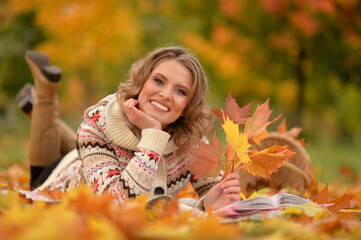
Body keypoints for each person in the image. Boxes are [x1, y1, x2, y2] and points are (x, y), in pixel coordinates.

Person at [17, 46, 241, 211]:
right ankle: (45, 93)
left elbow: (215, 192)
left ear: (186, 107)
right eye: (159, 81)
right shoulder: (96, 126)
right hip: (63, 178)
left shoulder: (190, 139)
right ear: (142, 82)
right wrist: (152, 135)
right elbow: (115, 205)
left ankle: (34, 106)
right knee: (41, 169)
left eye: (180, 91)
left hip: (92, 153)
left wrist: (211, 205)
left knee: (79, 142)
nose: (165, 94)